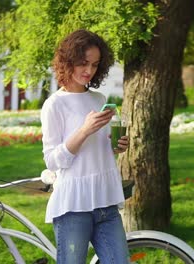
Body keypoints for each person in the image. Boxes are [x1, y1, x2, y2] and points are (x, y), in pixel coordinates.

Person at [40, 29, 130, 263]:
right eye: (83, 63)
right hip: (73, 208)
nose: (89, 70)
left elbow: (100, 149)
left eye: (95, 64)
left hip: (106, 201)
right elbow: (52, 160)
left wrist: (117, 146)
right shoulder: (54, 105)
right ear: (68, 61)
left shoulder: (99, 99)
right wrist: (84, 130)